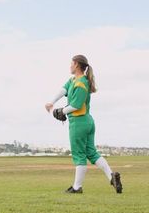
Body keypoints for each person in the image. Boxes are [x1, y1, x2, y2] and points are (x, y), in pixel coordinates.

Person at [46, 55, 123, 194]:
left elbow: (76, 105)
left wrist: (61, 111)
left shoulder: (81, 83)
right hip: (88, 121)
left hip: (79, 122)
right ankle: (112, 177)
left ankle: (77, 187)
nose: (70, 66)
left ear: (76, 65)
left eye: (71, 63)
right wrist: (52, 102)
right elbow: (64, 89)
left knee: (79, 154)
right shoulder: (74, 80)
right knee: (91, 153)